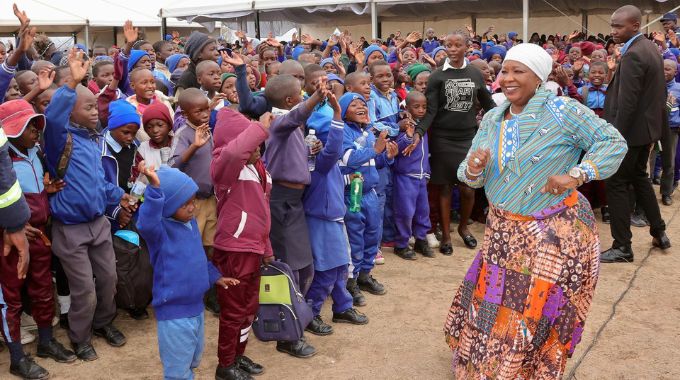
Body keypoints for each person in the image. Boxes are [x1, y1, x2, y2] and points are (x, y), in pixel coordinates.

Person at [444, 43, 627, 379]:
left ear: (539, 78)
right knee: (496, 305)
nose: (508, 78)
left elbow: (612, 142)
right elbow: (468, 173)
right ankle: (490, 367)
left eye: (518, 71)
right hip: (502, 232)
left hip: (552, 235)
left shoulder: (564, 111)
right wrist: (473, 167)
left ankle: (525, 370)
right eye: (505, 71)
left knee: (530, 309)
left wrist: (577, 174)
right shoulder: (494, 118)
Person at [43, 49, 133, 361]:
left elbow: (97, 181)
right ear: (70, 111)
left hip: (98, 223)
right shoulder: (59, 138)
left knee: (109, 279)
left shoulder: (94, 139)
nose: (96, 112)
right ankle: (80, 337)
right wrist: (71, 86)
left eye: (96, 106)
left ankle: (103, 323)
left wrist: (117, 195)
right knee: (84, 289)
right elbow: (53, 118)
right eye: (88, 107)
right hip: (71, 229)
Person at [136, 162, 236, 380]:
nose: (192, 208)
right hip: (174, 314)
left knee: (191, 360)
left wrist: (215, 277)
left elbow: (197, 258)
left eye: (193, 202)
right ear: (168, 207)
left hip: (196, 308)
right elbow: (146, 222)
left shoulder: (189, 225)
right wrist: (153, 190)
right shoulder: (159, 231)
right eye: (184, 205)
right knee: (177, 371)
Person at [0, 100, 76, 379]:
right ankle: (17, 357)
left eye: (36, 124)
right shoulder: (3, 159)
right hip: (11, 239)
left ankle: (45, 342)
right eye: (27, 125)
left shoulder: (36, 152)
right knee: (10, 299)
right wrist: (10, 225)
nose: (35, 130)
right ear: (10, 131)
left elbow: (33, 190)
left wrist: (48, 191)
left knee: (43, 289)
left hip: (40, 234)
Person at [601, 5, 672, 264]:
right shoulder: (649, 48)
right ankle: (659, 231)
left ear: (635, 25)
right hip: (644, 132)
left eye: (618, 26)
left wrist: (615, 139)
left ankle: (622, 246)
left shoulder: (633, 54)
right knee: (640, 178)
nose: (613, 31)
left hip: (630, 134)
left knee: (617, 183)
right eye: (612, 25)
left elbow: (628, 102)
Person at [414, 33, 495, 255]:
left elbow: (488, 103)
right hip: (443, 138)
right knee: (446, 187)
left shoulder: (475, 74)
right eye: (447, 45)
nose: (451, 48)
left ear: (466, 48)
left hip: (468, 137)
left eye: (457, 45)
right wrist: (419, 131)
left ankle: (463, 228)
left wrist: (506, 121)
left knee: (468, 187)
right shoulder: (437, 76)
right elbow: (431, 110)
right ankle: (447, 236)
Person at [263, 74, 324, 358]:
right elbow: (297, 114)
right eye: (301, 93)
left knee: (302, 268)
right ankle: (285, 336)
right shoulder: (279, 123)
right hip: (281, 203)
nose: (304, 96)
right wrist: (317, 97)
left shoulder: (294, 127)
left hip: (295, 202)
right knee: (287, 270)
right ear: (289, 101)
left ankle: (298, 319)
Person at [211, 108, 273, 380]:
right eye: (251, 143)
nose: (257, 148)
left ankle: (238, 354)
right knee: (234, 311)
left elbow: (262, 212)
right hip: (235, 249)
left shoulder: (257, 168)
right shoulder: (224, 166)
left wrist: (267, 248)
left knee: (249, 310)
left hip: (254, 248)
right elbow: (235, 153)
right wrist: (258, 127)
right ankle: (225, 365)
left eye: (259, 144)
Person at [303, 93, 369, 336]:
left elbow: (337, 169)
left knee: (341, 266)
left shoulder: (326, 161)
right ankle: (312, 313)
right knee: (328, 269)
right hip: (321, 219)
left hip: (332, 217)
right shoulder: (316, 158)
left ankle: (342, 307)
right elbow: (332, 151)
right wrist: (338, 117)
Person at [340, 92, 398, 306]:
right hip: (352, 193)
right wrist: (375, 150)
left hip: (370, 193)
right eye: (354, 104)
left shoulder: (370, 133)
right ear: (344, 111)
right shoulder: (342, 131)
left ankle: (365, 275)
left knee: (373, 235)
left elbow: (376, 163)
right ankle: (351, 282)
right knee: (355, 238)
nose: (361, 107)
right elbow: (348, 159)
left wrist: (387, 156)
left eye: (363, 104)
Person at [392, 91, 433, 260]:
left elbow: (425, 153)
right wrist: (408, 136)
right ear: (407, 107)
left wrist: (428, 172)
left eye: (424, 107)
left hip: (422, 176)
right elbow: (399, 150)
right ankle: (401, 243)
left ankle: (420, 239)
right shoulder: (403, 126)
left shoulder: (423, 126)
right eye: (416, 107)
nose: (421, 110)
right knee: (405, 212)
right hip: (405, 176)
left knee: (423, 210)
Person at [659, 59, 680, 206]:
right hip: (653, 129)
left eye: (668, 69)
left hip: (671, 129)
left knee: (669, 162)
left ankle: (666, 193)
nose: (664, 72)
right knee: (649, 162)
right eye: (662, 69)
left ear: (675, 72)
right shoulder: (653, 85)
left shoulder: (678, 88)